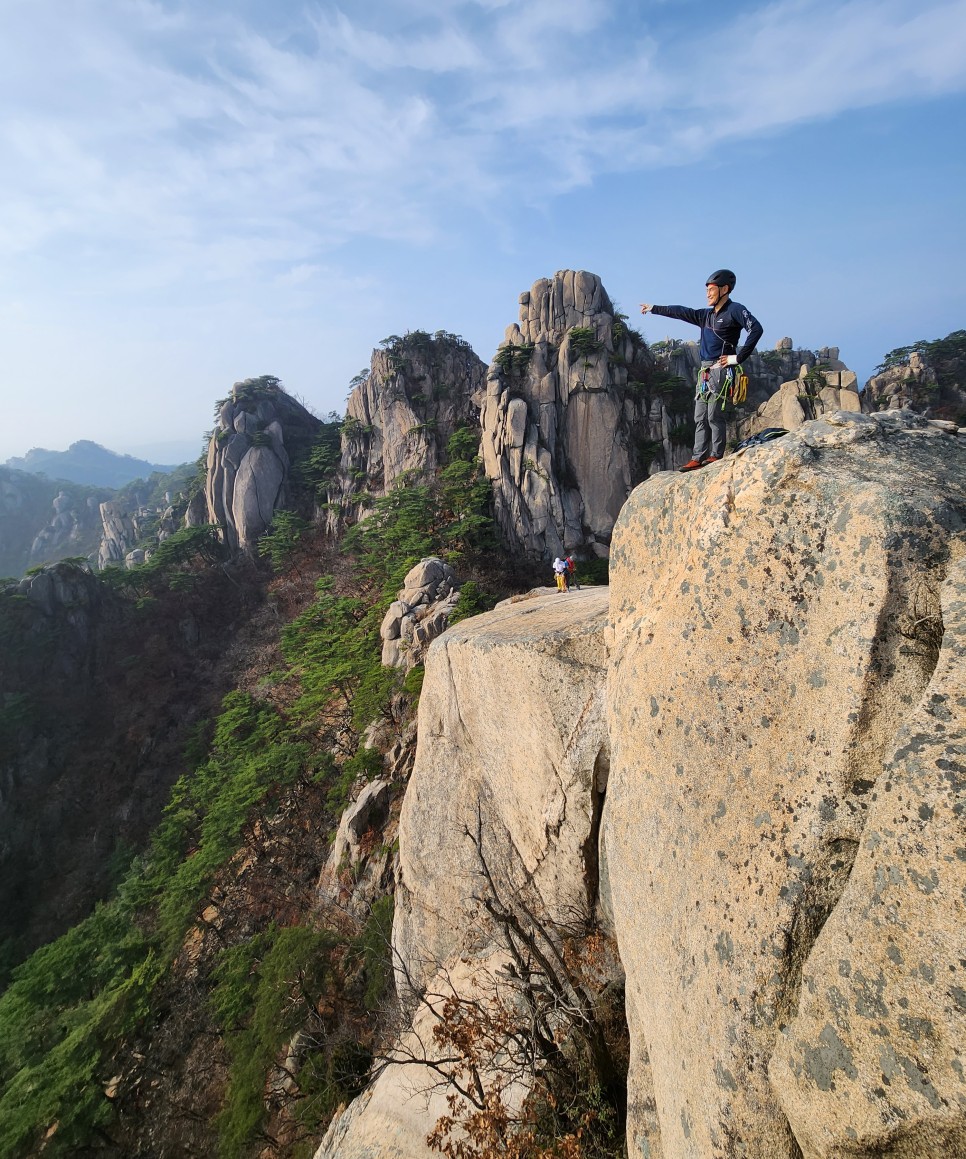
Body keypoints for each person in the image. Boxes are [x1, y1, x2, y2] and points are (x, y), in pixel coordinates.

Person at [641, 270, 762, 471]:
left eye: (711, 290)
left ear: (725, 289)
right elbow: (680, 311)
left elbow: (756, 329)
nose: (708, 294)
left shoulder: (735, 310)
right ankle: (698, 457)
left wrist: (738, 358)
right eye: (707, 290)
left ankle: (715, 455)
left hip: (722, 369)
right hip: (705, 371)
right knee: (699, 415)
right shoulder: (705, 315)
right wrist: (654, 308)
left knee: (714, 414)